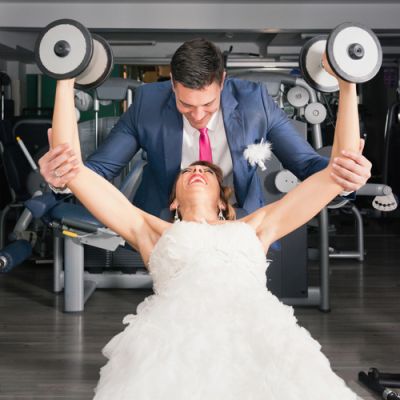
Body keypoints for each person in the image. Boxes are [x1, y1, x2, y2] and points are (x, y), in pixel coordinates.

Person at [51, 52, 363, 399]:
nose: (197, 169)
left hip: (256, 335)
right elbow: (75, 171)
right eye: (188, 171)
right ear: (172, 202)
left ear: (223, 202)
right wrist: (64, 80)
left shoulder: (256, 227)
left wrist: (348, 86)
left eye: (206, 172)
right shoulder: (151, 230)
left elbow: (337, 173)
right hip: (174, 345)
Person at [39, 38, 371, 217]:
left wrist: (344, 179)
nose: (198, 116)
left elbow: (309, 166)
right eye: (186, 105)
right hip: (168, 224)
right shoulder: (147, 104)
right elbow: (98, 170)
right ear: (172, 84)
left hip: (240, 221)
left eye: (208, 105)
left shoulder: (255, 102)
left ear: (222, 82)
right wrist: (64, 179)